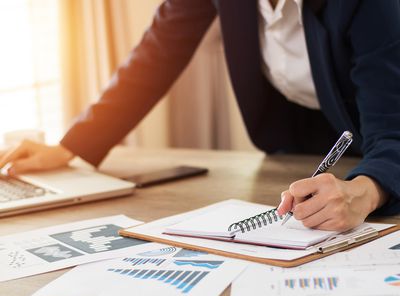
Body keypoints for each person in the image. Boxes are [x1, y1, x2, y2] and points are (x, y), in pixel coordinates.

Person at [0, 0, 399, 231]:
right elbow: (157, 52)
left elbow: (393, 129)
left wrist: (365, 189)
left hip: (381, 133)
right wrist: (72, 145)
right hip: (301, 144)